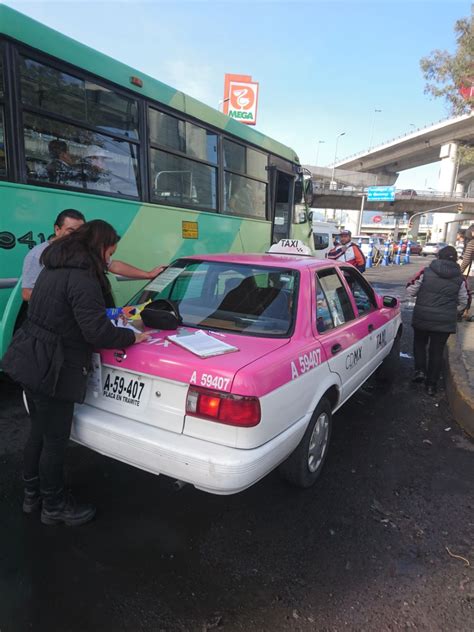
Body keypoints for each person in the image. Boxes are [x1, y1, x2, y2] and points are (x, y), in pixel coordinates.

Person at [2, 220, 150, 526]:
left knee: (39, 432)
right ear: (99, 245)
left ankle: (33, 495)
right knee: (55, 439)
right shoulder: (83, 277)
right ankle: (54, 506)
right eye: (111, 250)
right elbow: (96, 332)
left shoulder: (55, 266)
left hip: (31, 358)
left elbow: (70, 311)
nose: (110, 257)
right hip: (53, 367)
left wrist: (111, 316)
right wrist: (131, 336)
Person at [22, 209, 165, 302]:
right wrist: (65, 300)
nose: (76, 236)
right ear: (57, 229)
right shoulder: (37, 255)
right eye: (71, 230)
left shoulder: (84, 250)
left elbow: (112, 264)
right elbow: (27, 293)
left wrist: (147, 274)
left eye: (81, 231)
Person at [406, 246, 469, 396]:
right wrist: (452, 311)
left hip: (423, 316)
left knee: (420, 343)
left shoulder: (426, 272)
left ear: (438, 257)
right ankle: (431, 385)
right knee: (437, 351)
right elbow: (463, 301)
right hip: (444, 321)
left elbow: (410, 290)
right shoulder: (460, 278)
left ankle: (420, 370)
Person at [460, 224, 474, 321]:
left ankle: (465, 312)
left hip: (472, 272)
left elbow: (466, 259)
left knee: (468, 291)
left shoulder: (472, 243)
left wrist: (459, 271)